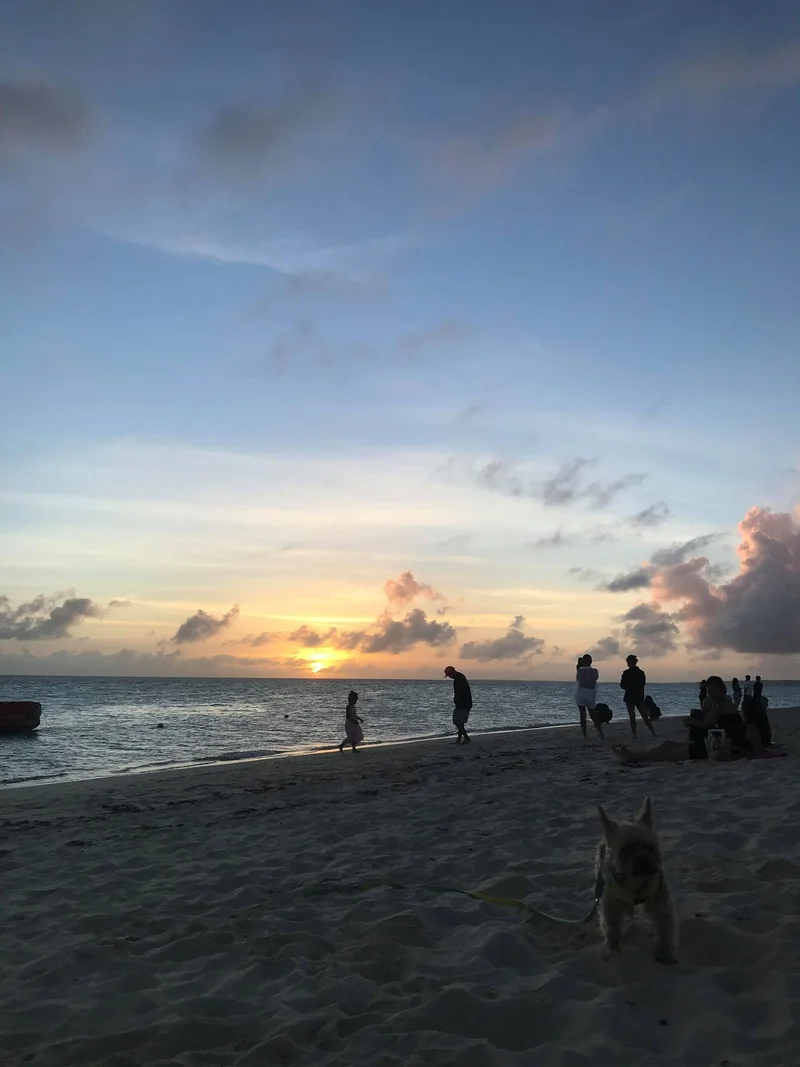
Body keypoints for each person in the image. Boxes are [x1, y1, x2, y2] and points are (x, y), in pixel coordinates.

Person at [616, 677, 746, 764]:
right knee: (668, 745)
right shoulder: (722, 704)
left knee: (669, 754)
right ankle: (635, 755)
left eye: (713, 691)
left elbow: (705, 724)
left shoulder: (722, 705)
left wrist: (690, 721)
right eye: (709, 692)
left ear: (722, 690)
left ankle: (634, 757)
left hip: (720, 747)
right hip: (719, 743)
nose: (710, 694)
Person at [619, 654, 656, 738]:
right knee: (644, 717)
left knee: (633, 717)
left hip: (630, 696)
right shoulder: (640, 673)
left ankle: (635, 735)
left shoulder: (626, 673)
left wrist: (629, 686)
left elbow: (622, 685)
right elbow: (643, 684)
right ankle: (653, 733)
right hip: (638, 696)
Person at [575, 654, 604, 740]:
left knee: (582, 715)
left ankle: (585, 734)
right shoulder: (595, 671)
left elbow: (578, 679)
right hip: (591, 694)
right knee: (593, 714)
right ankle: (601, 733)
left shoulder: (580, 671)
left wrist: (579, 667)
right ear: (591, 662)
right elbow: (595, 678)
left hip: (580, 693)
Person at [444, 666, 472, 744]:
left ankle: (466, 738)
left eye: (449, 675)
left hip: (463, 704)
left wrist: (457, 700)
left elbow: (460, 692)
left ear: (452, 672)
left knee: (457, 721)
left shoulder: (459, 679)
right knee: (460, 722)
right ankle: (459, 739)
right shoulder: (460, 677)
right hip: (465, 703)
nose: (449, 677)